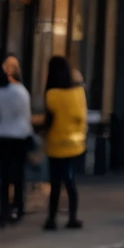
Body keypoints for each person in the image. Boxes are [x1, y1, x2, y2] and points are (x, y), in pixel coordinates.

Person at [0, 55, 34, 224]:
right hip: (19, 137)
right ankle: (16, 207)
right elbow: (25, 116)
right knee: (16, 175)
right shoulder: (21, 91)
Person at [40, 55, 87, 230]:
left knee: (55, 184)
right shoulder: (78, 93)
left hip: (56, 145)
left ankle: (51, 219)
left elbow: (49, 121)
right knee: (70, 182)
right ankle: (73, 217)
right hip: (74, 144)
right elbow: (81, 117)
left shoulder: (51, 95)